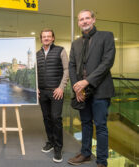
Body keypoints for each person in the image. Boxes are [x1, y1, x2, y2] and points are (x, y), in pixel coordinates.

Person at [68, 9, 115, 167]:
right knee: (85, 123)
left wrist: (86, 82)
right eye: (81, 19)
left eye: (87, 18)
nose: (84, 21)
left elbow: (107, 63)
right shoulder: (75, 43)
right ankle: (85, 153)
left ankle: (102, 161)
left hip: (101, 90)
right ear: (78, 23)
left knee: (101, 125)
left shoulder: (106, 36)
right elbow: (72, 66)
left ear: (93, 19)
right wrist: (77, 88)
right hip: (82, 92)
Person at [36, 28, 69, 163]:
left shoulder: (60, 50)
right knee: (46, 118)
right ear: (41, 39)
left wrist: (61, 88)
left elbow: (67, 70)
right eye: (44, 37)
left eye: (49, 36)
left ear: (53, 38)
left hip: (56, 91)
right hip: (42, 92)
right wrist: (35, 87)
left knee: (56, 118)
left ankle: (58, 147)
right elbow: (35, 72)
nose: (46, 38)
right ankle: (50, 141)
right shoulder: (37, 54)